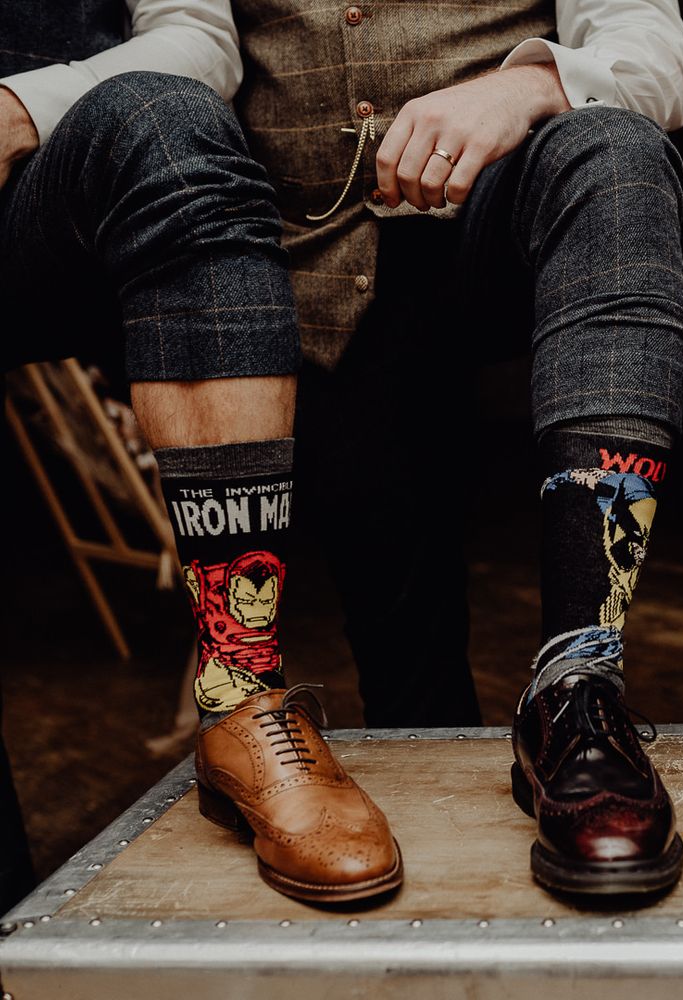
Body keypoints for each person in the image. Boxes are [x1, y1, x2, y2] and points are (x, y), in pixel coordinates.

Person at [233, 0, 683, 895]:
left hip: (504, 221)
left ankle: (579, 686)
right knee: (406, 679)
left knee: (616, 157)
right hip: (309, 262)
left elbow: (656, 53)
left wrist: (532, 83)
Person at [1, 0, 401, 903]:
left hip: (45, 184)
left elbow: (200, 38)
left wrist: (19, 109)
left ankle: (240, 693)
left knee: (169, 121)